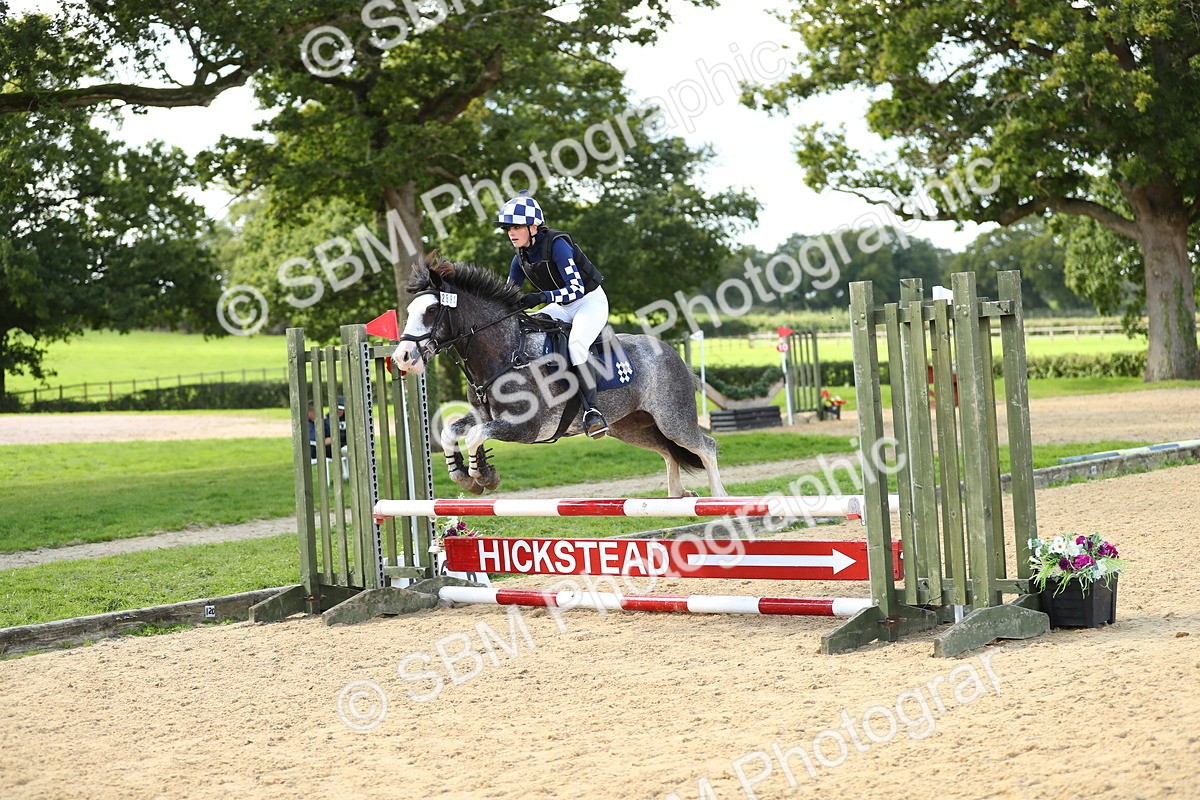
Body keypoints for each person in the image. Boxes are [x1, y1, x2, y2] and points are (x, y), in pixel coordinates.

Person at [498, 191, 610, 439]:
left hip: (589, 302)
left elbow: (576, 289)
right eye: (508, 228)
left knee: (577, 345)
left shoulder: (558, 245)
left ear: (534, 225)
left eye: (516, 227)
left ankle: (593, 411)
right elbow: (506, 296)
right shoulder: (520, 257)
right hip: (561, 306)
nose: (511, 233)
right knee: (527, 330)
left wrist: (541, 298)